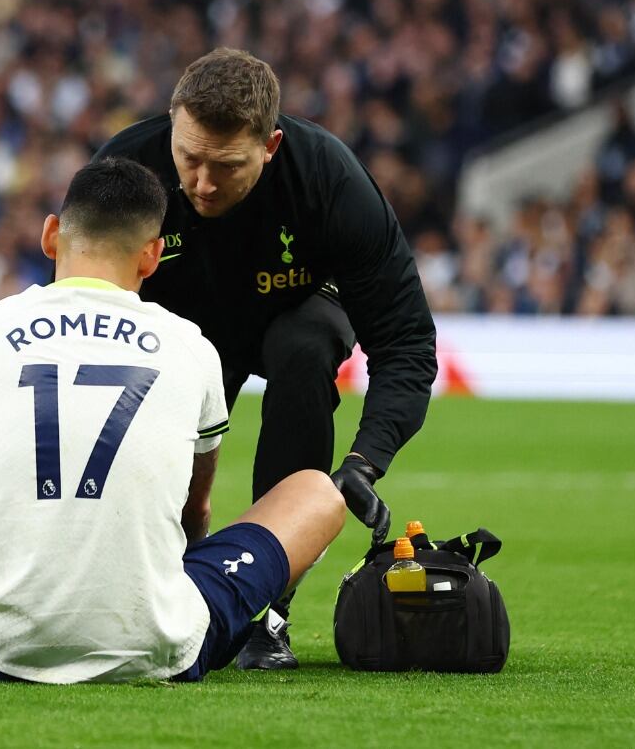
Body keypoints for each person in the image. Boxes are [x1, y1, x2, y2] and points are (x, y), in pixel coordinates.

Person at [0, 157, 348, 682]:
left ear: (51, 235)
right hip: (165, 647)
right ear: (152, 257)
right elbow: (194, 512)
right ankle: (152, 617)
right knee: (318, 495)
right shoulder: (192, 346)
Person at [92, 48, 438, 669]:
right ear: (171, 123)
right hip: (181, 334)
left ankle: (267, 613)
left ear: (272, 145)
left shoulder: (329, 180)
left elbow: (406, 342)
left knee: (302, 349)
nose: (201, 183)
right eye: (189, 158)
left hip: (300, 314)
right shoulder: (125, 172)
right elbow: (82, 324)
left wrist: (365, 461)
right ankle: (125, 591)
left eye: (226, 166)